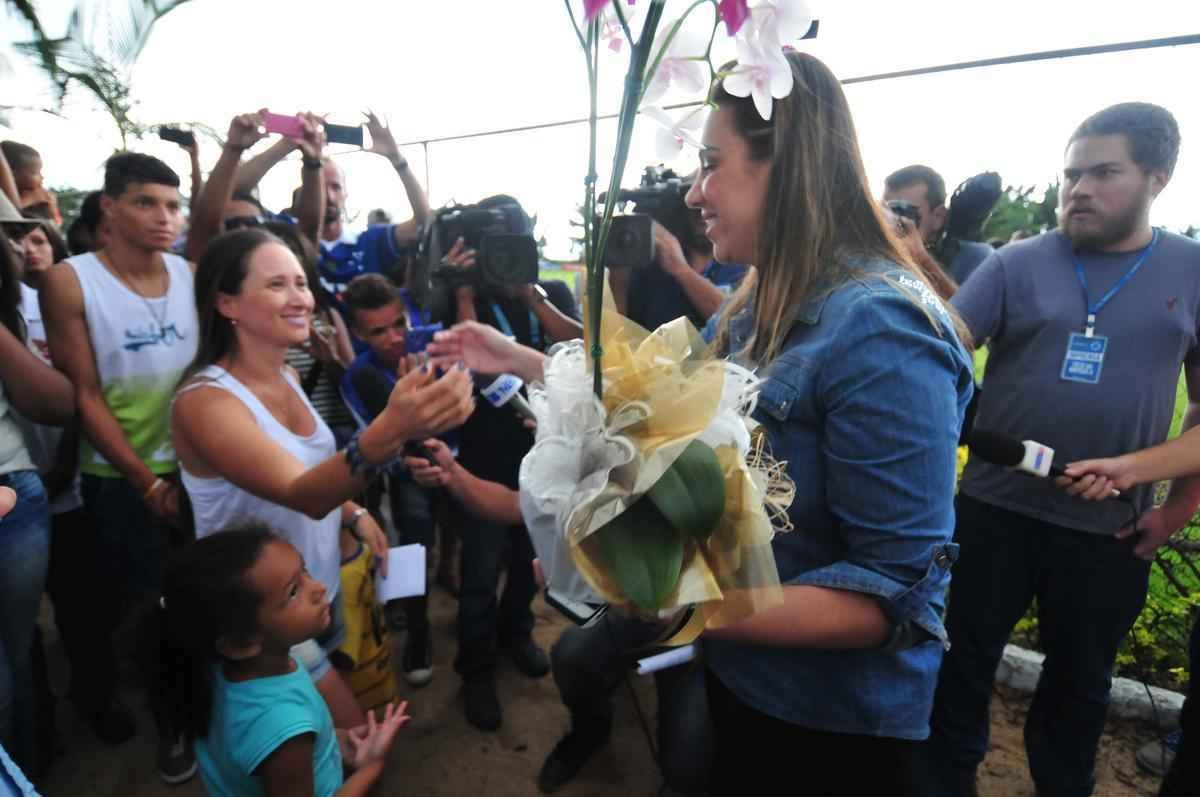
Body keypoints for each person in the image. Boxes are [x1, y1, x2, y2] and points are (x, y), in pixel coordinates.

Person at [430, 50, 973, 794]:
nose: (694, 193)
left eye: (712, 165)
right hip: (742, 673)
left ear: (786, 165)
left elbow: (894, 596)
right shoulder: (760, 301)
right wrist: (529, 363)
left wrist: (669, 596)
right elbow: (667, 401)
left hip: (826, 724)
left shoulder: (882, 330)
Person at [921, 102, 1200, 797]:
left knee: (1080, 688)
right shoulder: (1017, 263)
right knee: (958, 667)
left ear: (1157, 177)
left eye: (1103, 172)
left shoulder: (1190, 270)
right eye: (1070, 173)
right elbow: (933, 356)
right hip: (991, 512)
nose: (1077, 188)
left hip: (1109, 532)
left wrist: (1168, 509)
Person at [170, 227, 474, 730]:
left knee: (336, 732)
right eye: (276, 286)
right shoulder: (205, 401)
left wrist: (355, 514)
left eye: (301, 283)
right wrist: (395, 427)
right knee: (313, 742)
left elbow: (308, 470)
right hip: (261, 618)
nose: (299, 299)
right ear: (227, 302)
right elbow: (302, 494)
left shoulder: (286, 374)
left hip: (314, 590)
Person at [38, 151, 199, 783]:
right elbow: (85, 396)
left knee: (200, 599)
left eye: (172, 205)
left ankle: (204, 709)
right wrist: (145, 481)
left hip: (199, 471)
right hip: (119, 479)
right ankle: (173, 726)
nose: (164, 218)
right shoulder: (70, 281)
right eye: (146, 203)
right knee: (146, 611)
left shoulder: (189, 273)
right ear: (110, 207)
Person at [438, 197, 580, 732]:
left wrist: (531, 294)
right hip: (483, 458)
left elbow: (583, 352)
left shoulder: (553, 293)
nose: (502, 258)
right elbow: (469, 366)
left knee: (529, 560)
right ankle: (475, 667)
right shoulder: (450, 298)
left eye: (511, 247)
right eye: (490, 250)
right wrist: (464, 293)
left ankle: (516, 632)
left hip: (547, 458)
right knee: (479, 571)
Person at [146, 525, 409, 797]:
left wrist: (339, 742)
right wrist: (370, 768)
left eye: (304, 571)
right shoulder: (284, 731)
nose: (318, 588)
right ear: (241, 644)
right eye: (293, 592)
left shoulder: (216, 669)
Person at [0, 211, 76, 776]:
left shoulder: (15, 313)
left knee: (13, 665)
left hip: (13, 492)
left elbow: (58, 402)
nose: (14, 245)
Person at [339, 273, 440, 687]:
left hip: (458, 467)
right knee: (410, 534)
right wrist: (404, 466)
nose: (394, 338)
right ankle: (418, 634)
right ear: (359, 333)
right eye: (378, 331)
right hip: (405, 476)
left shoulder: (437, 349)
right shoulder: (358, 376)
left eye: (399, 324)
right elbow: (368, 445)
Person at [607, 174, 747, 332]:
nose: (702, 213)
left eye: (713, 202)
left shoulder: (740, 265)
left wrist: (680, 269)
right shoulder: (650, 267)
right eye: (695, 206)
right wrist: (618, 279)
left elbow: (739, 325)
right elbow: (618, 337)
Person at [883, 164, 993, 285]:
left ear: (938, 217)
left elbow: (964, 303)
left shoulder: (973, 258)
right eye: (884, 212)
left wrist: (922, 259)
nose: (892, 221)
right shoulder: (879, 254)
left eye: (902, 210)